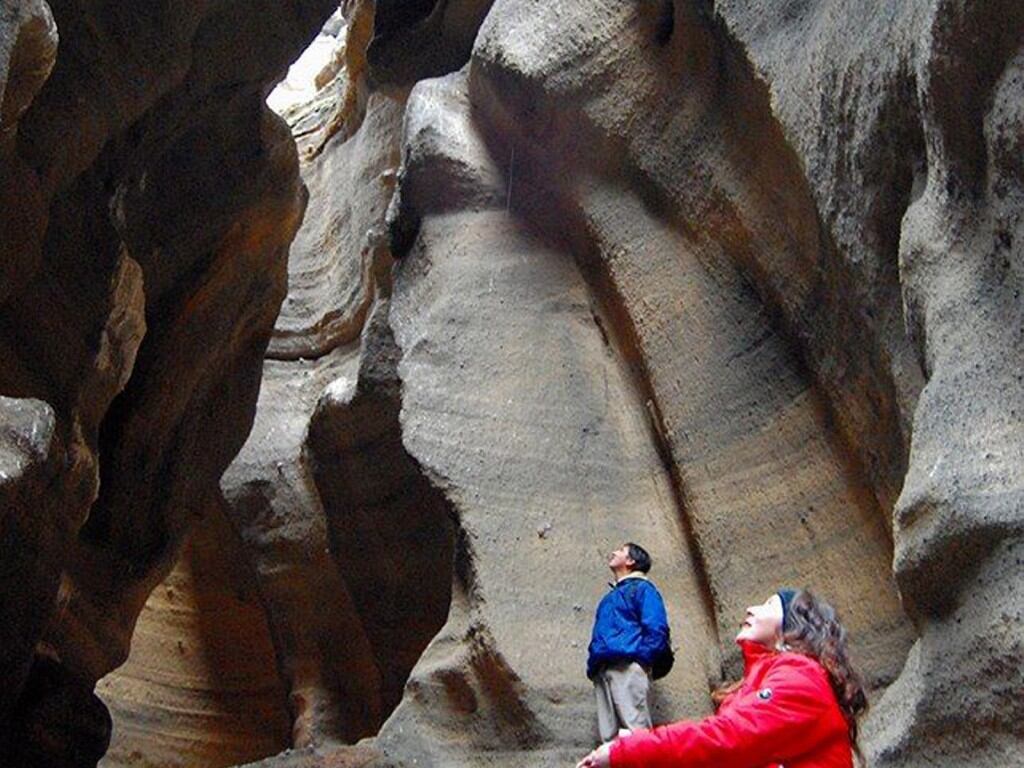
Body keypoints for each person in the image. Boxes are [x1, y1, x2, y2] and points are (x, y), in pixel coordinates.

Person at [576, 588, 867, 768]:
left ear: (793, 624)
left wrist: (630, 751)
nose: (751, 609)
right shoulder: (760, 682)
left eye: (767, 604)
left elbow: (727, 739)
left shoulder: (802, 678)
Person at [586, 542, 670, 744]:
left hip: (627, 667)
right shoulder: (611, 596)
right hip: (604, 670)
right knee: (610, 740)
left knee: (636, 734)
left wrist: (640, 660)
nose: (614, 552)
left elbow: (657, 628)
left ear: (631, 561)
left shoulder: (643, 589)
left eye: (621, 551)